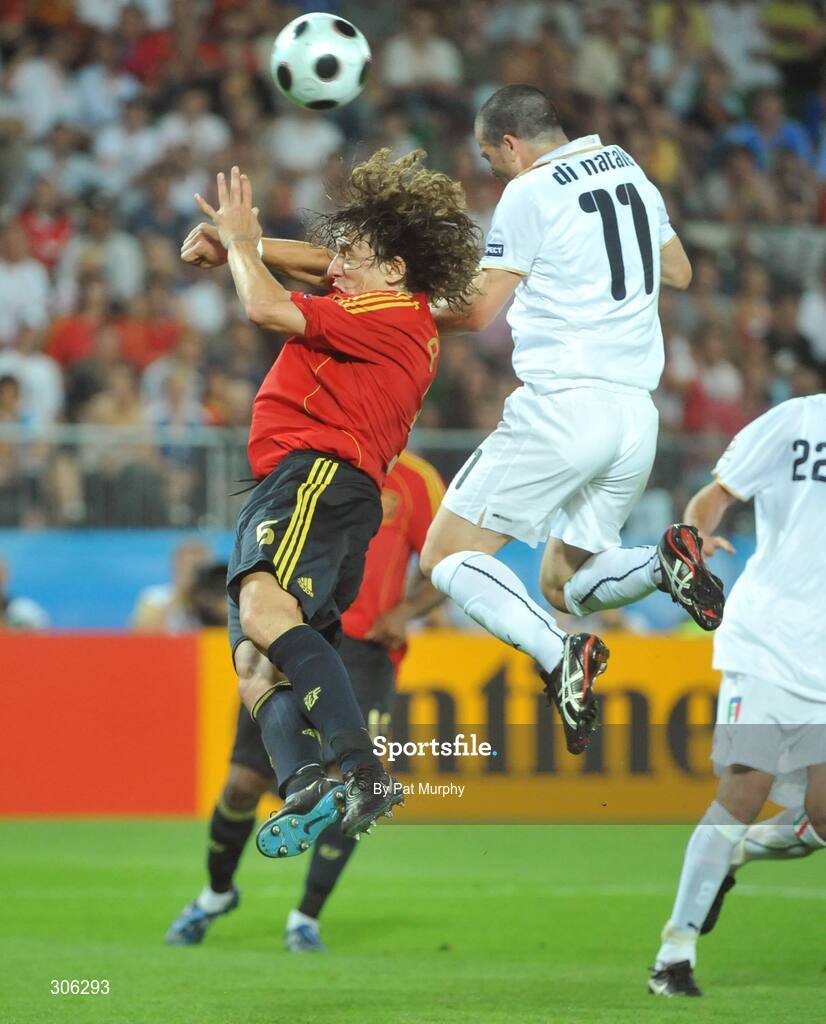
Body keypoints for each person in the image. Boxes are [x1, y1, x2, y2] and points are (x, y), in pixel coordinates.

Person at [181, 153, 479, 846]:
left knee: (261, 611)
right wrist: (235, 244)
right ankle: (307, 783)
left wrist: (242, 241)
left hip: (316, 477)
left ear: (396, 269)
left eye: (353, 253)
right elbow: (318, 263)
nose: (334, 265)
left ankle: (360, 770)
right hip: (315, 490)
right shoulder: (388, 301)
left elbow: (263, 303)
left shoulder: (392, 314)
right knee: (257, 663)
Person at [418, 85, 725, 756]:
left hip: (563, 406)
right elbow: (679, 270)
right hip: (635, 416)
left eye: (487, 154)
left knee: (446, 554)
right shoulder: (626, 167)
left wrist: (393, 305)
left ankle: (560, 657)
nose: (491, 168)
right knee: (565, 582)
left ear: (511, 144)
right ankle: (659, 560)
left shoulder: (528, 191)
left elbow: (475, 312)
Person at [165, 453, 445, 951]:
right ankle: (214, 894)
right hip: (292, 636)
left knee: (348, 786)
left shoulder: (416, 481)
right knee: (244, 783)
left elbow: (444, 560)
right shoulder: (308, 467)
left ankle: (305, 918)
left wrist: (404, 611)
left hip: (365, 652)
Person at [649, 394, 826, 997]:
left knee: (822, 821)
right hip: (769, 644)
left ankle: (739, 853)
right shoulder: (798, 419)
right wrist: (695, 535)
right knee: (744, 791)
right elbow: (716, 493)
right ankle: (674, 955)